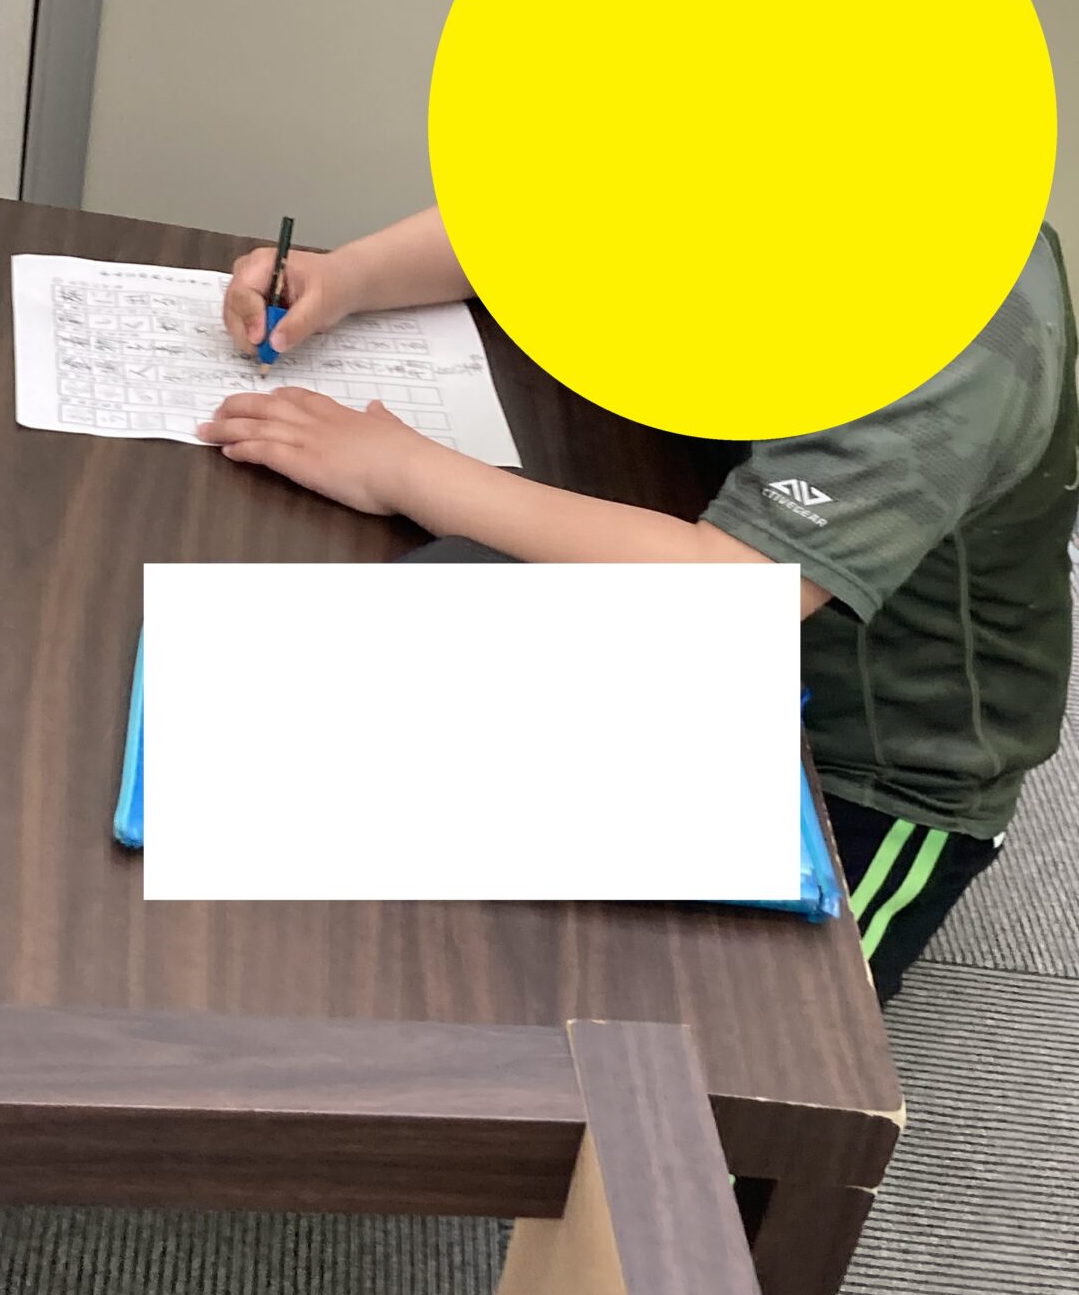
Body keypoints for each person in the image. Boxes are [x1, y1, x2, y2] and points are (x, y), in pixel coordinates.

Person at [206, 207, 1078, 1005]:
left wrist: (400, 468)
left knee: (736, 1064)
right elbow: (546, 217)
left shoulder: (964, 322)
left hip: (865, 761)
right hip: (691, 571)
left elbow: (735, 588)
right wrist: (352, 274)